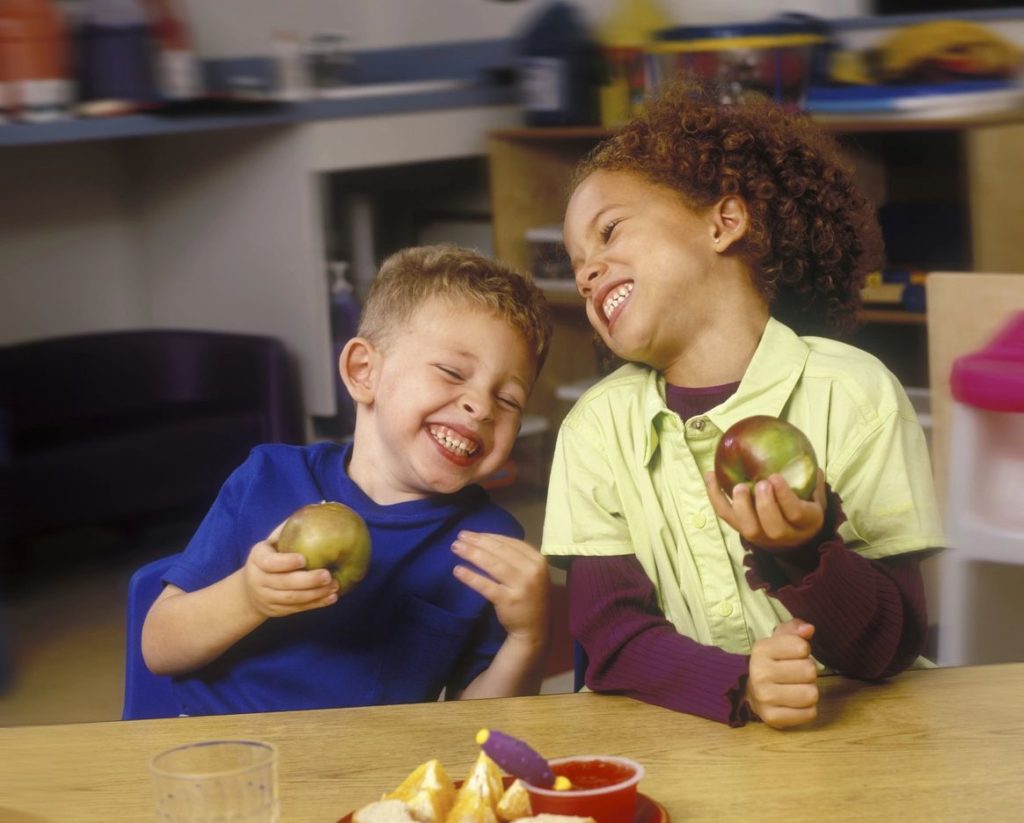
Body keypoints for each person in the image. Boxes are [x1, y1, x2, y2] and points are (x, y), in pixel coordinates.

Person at [542, 82, 944, 729]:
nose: (588, 273)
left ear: (723, 221)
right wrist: (741, 685)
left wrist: (807, 547)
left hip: (868, 735)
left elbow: (890, 647)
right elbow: (609, 638)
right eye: (578, 265)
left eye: (609, 231)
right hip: (686, 735)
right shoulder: (595, 428)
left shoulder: (855, 392)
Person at [142, 245, 554, 716]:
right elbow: (159, 646)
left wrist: (528, 636)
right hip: (223, 758)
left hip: (369, 776)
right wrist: (249, 596)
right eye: (452, 372)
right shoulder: (268, 477)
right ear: (364, 373)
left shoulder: (488, 545)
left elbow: (478, 725)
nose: (481, 406)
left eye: (508, 400)